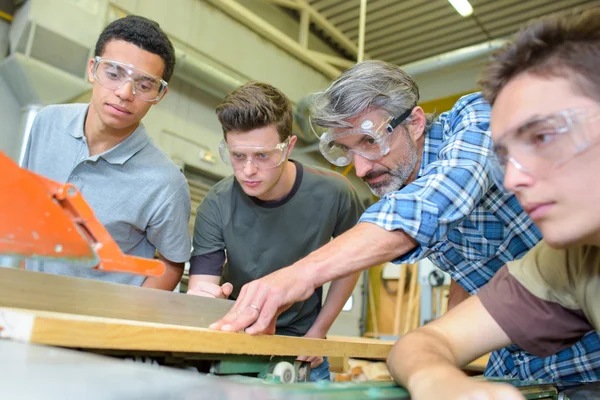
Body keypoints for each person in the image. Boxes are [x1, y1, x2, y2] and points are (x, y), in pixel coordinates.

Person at [210, 59, 600, 384]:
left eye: (370, 142)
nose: (361, 168)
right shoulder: (398, 181)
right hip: (520, 365)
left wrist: (297, 276)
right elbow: (470, 267)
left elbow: (438, 199)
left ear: (414, 122)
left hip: (585, 361)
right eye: (346, 151)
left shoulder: (475, 120)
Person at [387, 9, 600, 400]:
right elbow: (424, 343)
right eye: (506, 157)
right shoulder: (568, 261)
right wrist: (436, 381)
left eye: (542, 137)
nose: (513, 178)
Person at [186, 82, 364, 381]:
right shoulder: (215, 204)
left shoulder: (335, 194)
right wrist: (206, 300)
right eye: (237, 156)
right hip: (235, 345)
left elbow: (353, 261)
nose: (248, 170)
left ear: (289, 147)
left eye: (262, 156)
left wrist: (319, 331)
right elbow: (202, 286)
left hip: (301, 347)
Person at [22, 15, 191, 289]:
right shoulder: (47, 122)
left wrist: (124, 321)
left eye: (144, 84)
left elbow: (171, 264)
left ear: (159, 94)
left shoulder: (166, 183)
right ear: (93, 69)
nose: (125, 92)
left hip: (97, 322)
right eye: (114, 73)